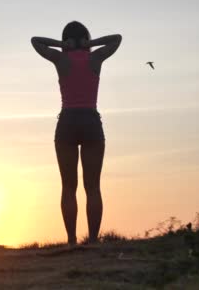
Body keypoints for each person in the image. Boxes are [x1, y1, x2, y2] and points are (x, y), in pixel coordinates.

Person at [31, 21, 122, 245]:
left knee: (68, 187)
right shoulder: (95, 58)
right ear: (85, 37)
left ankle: (72, 240)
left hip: (67, 123)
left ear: (67, 40)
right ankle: (91, 240)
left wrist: (63, 45)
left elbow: (36, 42)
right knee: (92, 187)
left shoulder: (61, 59)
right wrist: (90, 44)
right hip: (90, 121)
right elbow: (116, 38)